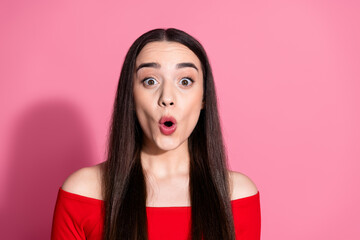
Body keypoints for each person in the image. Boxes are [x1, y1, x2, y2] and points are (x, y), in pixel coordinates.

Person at [51, 28, 261, 240]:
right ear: (131, 97)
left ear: (204, 99)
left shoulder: (237, 195)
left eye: (185, 81)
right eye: (150, 81)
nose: (167, 98)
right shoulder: (83, 192)